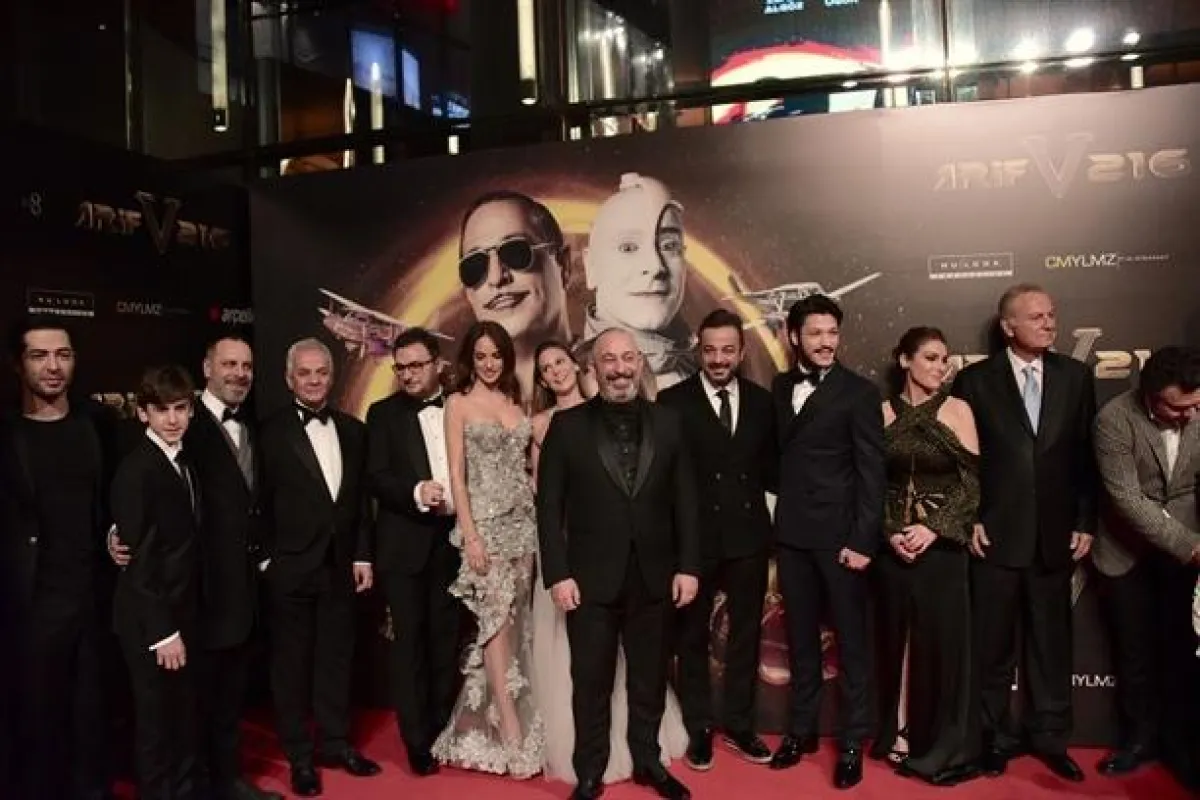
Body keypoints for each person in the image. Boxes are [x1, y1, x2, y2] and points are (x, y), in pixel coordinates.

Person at [112, 334, 281, 800]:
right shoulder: (150, 455)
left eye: (247, 365)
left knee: (201, 710)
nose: (173, 418)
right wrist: (115, 536)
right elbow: (137, 527)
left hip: (216, 595)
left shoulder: (198, 447)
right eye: (229, 363)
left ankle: (215, 784)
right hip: (170, 610)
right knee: (162, 722)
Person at [537, 327, 701, 800]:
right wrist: (558, 574)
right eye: (609, 359)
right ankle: (590, 771)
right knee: (590, 681)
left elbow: (686, 501)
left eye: (628, 358)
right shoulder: (567, 427)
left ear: (640, 363)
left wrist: (688, 566)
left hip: (655, 575)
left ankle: (648, 761)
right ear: (594, 367)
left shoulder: (669, 423)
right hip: (589, 580)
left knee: (649, 679)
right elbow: (549, 507)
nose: (620, 368)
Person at [952, 283, 1097, 782]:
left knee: (1051, 647)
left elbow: (1085, 457)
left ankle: (1051, 738)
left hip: (1055, 538)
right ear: (1007, 325)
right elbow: (961, 461)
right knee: (992, 647)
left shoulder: (1076, 376)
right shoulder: (974, 380)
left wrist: (1085, 521)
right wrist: (969, 517)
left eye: (1051, 314)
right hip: (994, 536)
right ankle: (992, 739)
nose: (1049, 323)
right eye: (1036, 317)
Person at [0, 317, 120, 800]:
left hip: (92, 602)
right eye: (40, 356)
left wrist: (116, 534)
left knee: (92, 725)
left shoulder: (99, 424)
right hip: (30, 608)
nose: (53, 366)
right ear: (18, 364)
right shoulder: (6, 434)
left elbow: (116, 502)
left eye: (63, 355)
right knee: (36, 729)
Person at [768, 294, 885, 790]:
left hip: (840, 541)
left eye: (832, 332)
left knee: (852, 644)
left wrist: (862, 540)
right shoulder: (780, 386)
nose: (825, 342)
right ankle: (802, 732)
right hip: (792, 536)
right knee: (800, 642)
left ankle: (853, 741)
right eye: (815, 333)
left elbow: (872, 473)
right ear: (794, 336)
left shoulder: (859, 392)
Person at [259, 339, 381, 796]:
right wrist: (266, 559)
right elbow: (256, 501)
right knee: (291, 667)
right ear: (289, 378)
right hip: (290, 568)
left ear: (333, 376)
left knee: (336, 659)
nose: (314, 380)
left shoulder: (353, 430)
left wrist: (362, 554)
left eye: (321, 372)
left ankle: (335, 743)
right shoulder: (269, 433)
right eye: (305, 373)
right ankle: (299, 757)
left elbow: (360, 501)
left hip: (340, 566)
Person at [658, 309, 777, 769]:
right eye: (710, 350)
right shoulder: (672, 402)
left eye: (728, 350)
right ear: (699, 351)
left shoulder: (763, 402)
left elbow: (771, 472)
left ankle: (741, 726)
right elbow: (668, 479)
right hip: (695, 541)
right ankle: (699, 729)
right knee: (691, 638)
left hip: (749, 538)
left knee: (746, 635)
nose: (719, 359)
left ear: (741, 352)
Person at [431, 321, 544, 777]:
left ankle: (509, 713)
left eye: (496, 355)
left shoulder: (517, 401)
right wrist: (471, 535)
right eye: (480, 356)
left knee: (516, 625)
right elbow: (457, 476)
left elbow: (529, 465)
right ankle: (511, 730)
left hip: (524, 527)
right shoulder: (457, 403)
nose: (489, 363)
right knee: (494, 624)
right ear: (469, 359)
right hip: (486, 530)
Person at [870, 327, 981, 787]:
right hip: (892, 547)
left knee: (941, 645)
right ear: (904, 361)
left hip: (942, 547)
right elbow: (869, 483)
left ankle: (936, 741)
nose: (941, 367)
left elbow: (971, 484)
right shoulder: (879, 413)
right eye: (931, 358)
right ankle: (897, 732)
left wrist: (932, 528)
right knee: (893, 640)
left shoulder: (958, 410)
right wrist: (890, 532)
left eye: (944, 359)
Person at [1092, 346, 1200, 780]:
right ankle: (1138, 739)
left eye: (1195, 406)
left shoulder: (1195, 408)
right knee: (1134, 653)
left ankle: (1180, 744)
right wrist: (1192, 546)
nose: (1189, 415)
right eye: (1178, 408)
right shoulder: (1114, 419)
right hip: (1126, 548)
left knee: (1180, 651)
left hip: (1186, 545)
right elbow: (1128, 500)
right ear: (1151, 397)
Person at [366, 327, 463, 777]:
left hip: (454, 545)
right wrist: (416, 491)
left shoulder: (459, 405)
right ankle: (417, 741)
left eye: (416, 365)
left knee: (446, 641)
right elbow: (376, 477)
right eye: (400, 367)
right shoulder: (382, 414)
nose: (407, 374)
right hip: (403, 547)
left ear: (438, 364)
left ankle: (442, 727)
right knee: (409, 647)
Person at [111, 365, 202, 800]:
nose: (172, 419)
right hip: (151, 624)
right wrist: (163, 632)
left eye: (180, 408)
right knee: (155, 726)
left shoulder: (183, 460)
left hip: (181, 612)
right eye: (162, 410)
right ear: (143, 412)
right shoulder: (137, 470)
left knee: (181, 719)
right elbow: (140, 563)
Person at [582, 173, 696, 390]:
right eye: (628, 248)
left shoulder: (703, 365)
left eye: (669, 246)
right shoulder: (574, 379)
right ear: (591, 266)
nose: (656, 266)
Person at [459, 190, 574, 404]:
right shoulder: (459, 400)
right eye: (475, 265)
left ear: (564, 266)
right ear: (468, 294)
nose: (496, 277)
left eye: (515, 252)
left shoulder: (611, 372)